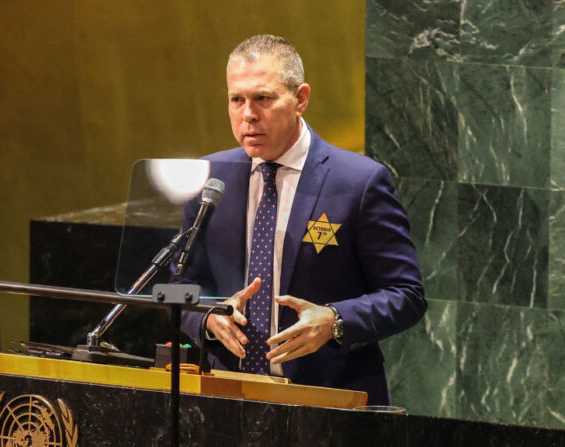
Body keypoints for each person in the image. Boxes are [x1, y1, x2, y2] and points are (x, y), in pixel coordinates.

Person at [180, 34, 425, 405]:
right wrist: (207, 318)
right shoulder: (210, 178)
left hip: (331, 400)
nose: (248, 114)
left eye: (262, 98)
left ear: (301, 99)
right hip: (227, 399)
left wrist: (334, 319)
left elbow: (406, 295)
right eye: (236, 100)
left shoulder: (359, 182)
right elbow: (180, 282)